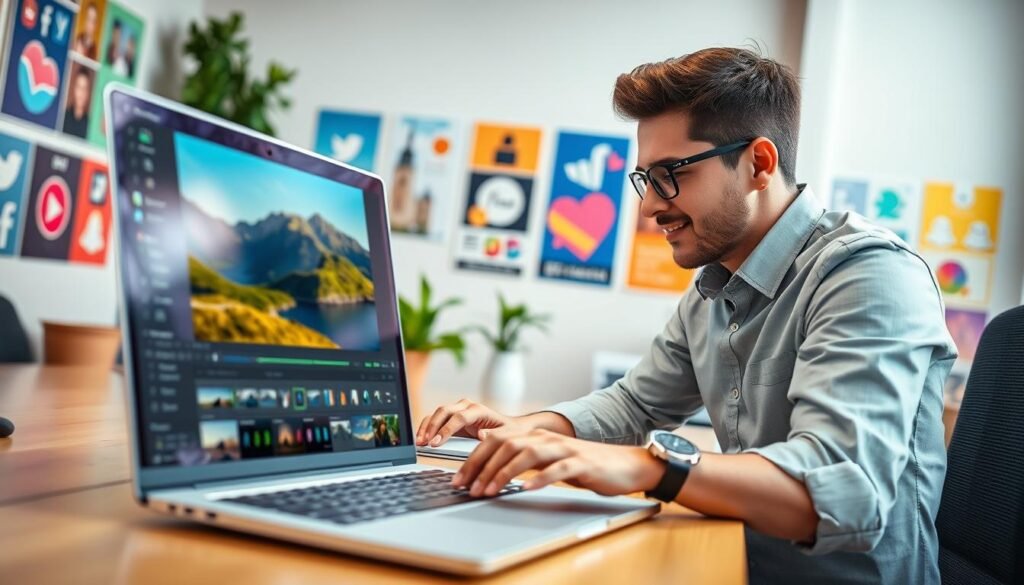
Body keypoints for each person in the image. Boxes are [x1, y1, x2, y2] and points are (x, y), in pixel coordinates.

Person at [416, 47, 956, 584]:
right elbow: (634, 403)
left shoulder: (869, 275)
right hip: (738, 562)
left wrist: (651, 466)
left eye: (669, 174)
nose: (649, 206)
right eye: (644, 179)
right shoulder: (713, 286)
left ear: (758, 165)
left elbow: (845, 492)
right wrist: (526, 430)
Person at [61, 65, 93, 138]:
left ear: (88, 92)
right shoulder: (63, 117)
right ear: (74, 89)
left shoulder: (89, 125)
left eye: (85, 88)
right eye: (79, 87)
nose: (81, 92)